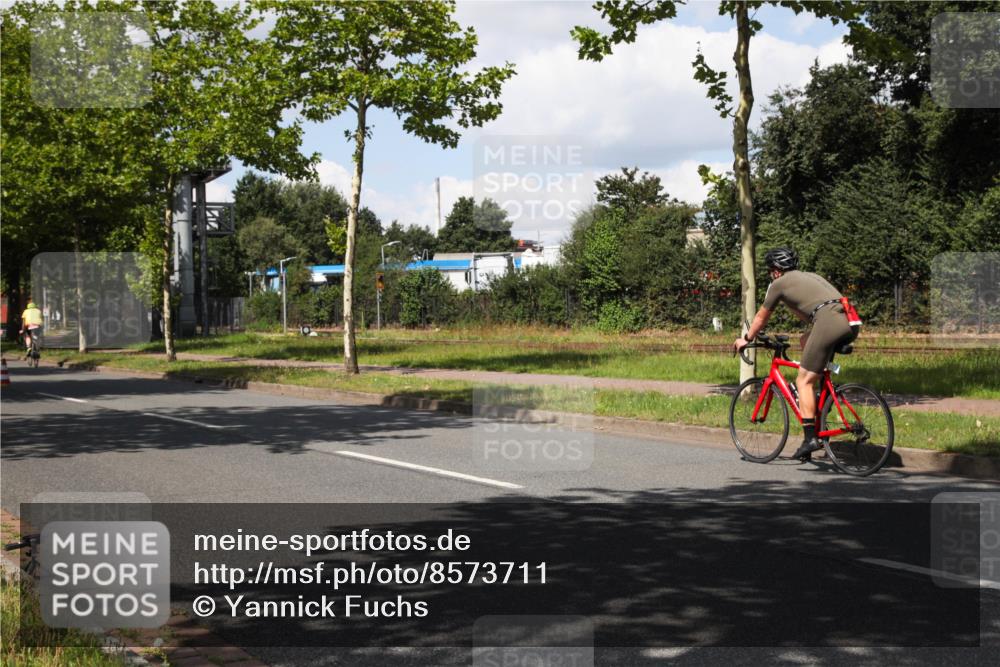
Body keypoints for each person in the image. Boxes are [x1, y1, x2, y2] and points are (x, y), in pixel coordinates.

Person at [733, 248, 859, 461]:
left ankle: (810, 439)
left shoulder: (778, 284)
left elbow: (761, 318)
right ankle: (822, 403)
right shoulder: (810, 276)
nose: (771, 274)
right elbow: (807, 313)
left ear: (775, 270)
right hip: (851, 320)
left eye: (771, 270)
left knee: (803, 381)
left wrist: (746, 339)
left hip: (828, 322)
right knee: (805, 342)